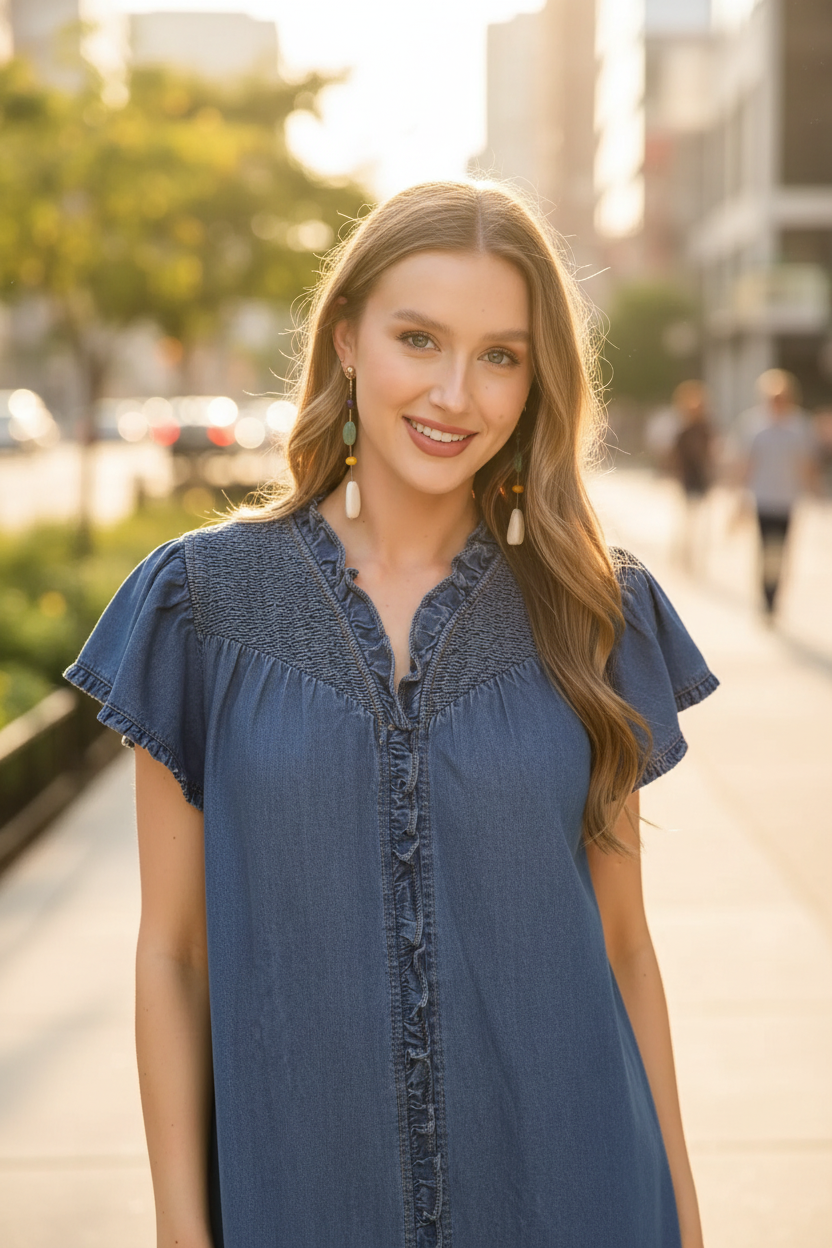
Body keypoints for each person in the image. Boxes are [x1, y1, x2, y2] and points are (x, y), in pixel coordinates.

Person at [64, 181, 718, 1248]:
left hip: (578, 1197)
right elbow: (173, 956)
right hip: (305, 1202)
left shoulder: (595, 611)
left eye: (500, 355)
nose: (456, 393)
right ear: (348, 341)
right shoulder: (203, 605)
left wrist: (686, 1225)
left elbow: (624, 947)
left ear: (534, 379)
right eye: (420, 338)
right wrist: (183, 1232)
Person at [741, 369, 817, 615]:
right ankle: (767, 595)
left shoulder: (799, 425)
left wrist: (812, 490)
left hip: (787, 499)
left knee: (781, 550)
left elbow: (806, 462)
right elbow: (747, 463)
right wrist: (741, 497)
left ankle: (776, 592)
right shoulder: (755, 425)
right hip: (762, 498)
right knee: (766, 549)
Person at [669, 380, 717, 572]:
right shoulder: (684, 430)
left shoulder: (706, 429)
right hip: (688, 478)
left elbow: (711, 453)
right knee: (687, 519)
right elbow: (675, 456)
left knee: (702, 520)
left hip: (702, 478)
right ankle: (683, 554)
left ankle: (697, 557)